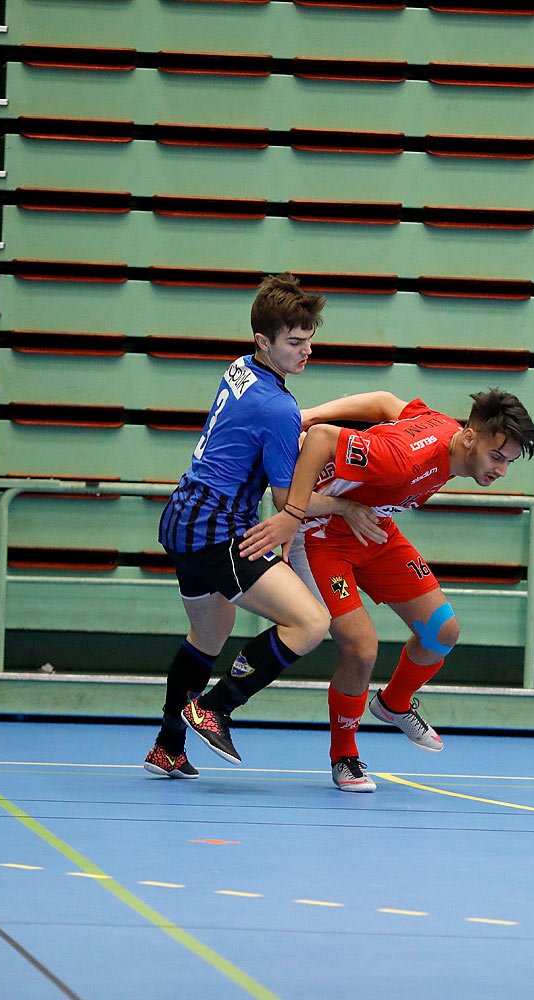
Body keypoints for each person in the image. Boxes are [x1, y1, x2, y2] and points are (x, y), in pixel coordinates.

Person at [238, 388, 534, 792]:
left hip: (373, 528)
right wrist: (295, 501)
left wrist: (312, 409)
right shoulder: (403, 462)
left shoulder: (442, 429)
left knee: (441, 631)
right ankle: (343, 756)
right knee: (362, 648)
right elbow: (323, 438)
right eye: (497, 457)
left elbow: (383, 400)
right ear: (470, 438)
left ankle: (394, 703)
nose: (500, 471)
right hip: (320, 535)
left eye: (509, 462)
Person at [143, 274, 383, 778]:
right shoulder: (279, 406)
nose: (307, 350)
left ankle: (168, 744)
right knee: (311, 622)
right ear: (263, 341)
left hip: (181, 517)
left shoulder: (240, 370)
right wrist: (345, 506)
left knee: (211, 632)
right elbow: (285, 498)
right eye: (295, 342)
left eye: (310, 339)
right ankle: (216, 706)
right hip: (216, 529)